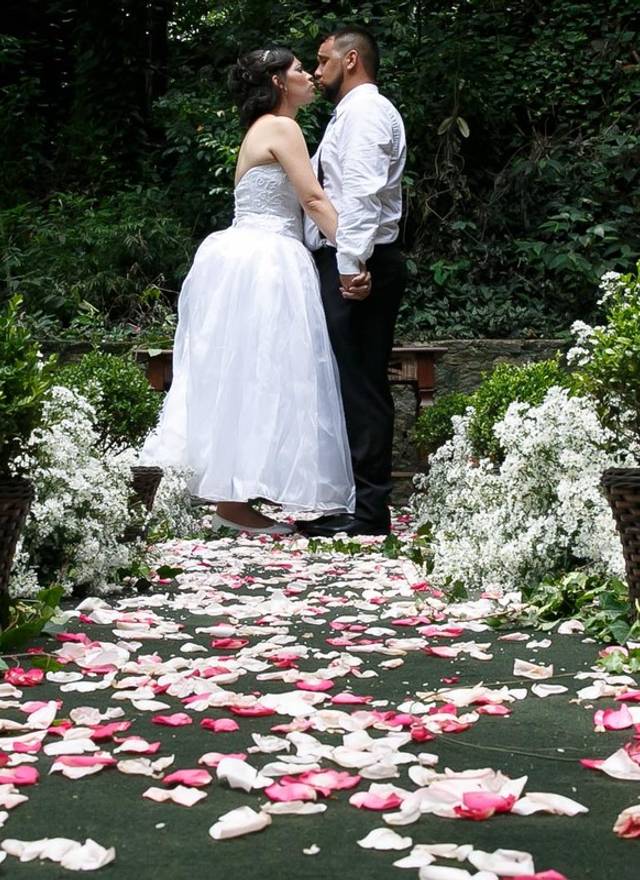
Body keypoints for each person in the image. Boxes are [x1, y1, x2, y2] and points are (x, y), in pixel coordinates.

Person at [141, 47, 367, 534]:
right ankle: (235, 501)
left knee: (243, 373)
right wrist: (353, 256)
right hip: (266, 259)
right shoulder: (282, 127)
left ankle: (234, 499)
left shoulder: (261, 130)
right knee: (265, 371)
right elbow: (312, 199)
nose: (308, 74)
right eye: (298, 70)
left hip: (241, 255)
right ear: (278, 81)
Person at [300, 26, 408, 538]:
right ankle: (359, 505)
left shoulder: (365, 114)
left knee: (363, 385)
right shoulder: (353, 113)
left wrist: (350, 266)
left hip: (362, 265)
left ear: (349, 60)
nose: (316, 71)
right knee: (352, 382)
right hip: (357, 260)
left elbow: (361, 196)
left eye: (321, 61)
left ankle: (369, 515)